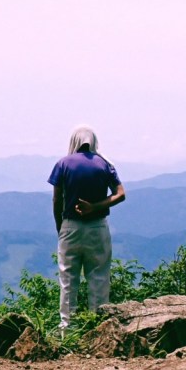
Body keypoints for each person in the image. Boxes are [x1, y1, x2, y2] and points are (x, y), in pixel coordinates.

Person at [47, 126, 126, 329]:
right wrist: (94, 207)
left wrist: (61, 227)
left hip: (70, 227)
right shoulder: (105, 164)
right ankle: (99, 326)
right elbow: (120, 194)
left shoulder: (63, 163)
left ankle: (67, 328)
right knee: (99, 277)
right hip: (98, 227)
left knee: (67, 279)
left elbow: (57, 200)